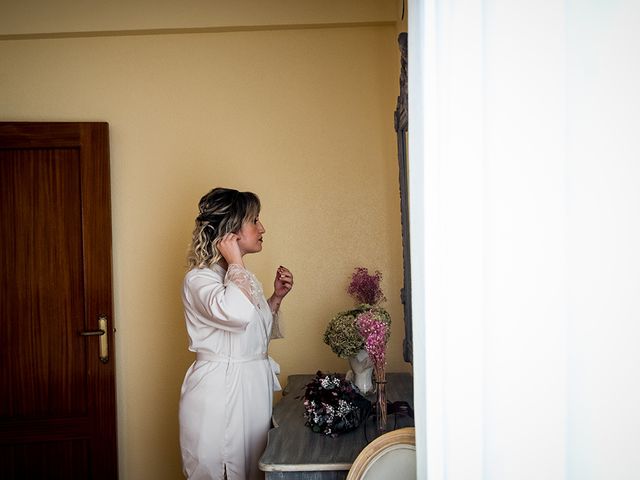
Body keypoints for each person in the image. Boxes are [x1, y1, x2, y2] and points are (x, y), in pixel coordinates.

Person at [179, 187, 293, 480]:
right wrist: (236, 263)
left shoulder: (242, 277)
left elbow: (253, 333)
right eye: (254, 221)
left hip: (251, 387)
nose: (262, 228)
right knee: (223, 468)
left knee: (255, 465)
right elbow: (237, 315)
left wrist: (275, 299)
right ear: (231, 231)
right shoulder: (200, 279)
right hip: (221, 391)